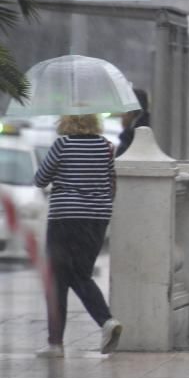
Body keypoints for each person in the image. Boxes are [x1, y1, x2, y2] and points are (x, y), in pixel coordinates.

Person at [34, 114, 122, 357]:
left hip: (66, 217)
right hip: (97, 219)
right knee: (78, 273)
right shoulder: (106, 147)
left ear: (67, 122)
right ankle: (62, 340)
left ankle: (99, 323)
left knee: (57, 276)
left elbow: (40, 179)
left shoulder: (63, 145)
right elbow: (111, 186)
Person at [116, 88, 151, 157]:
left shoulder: (132, 136)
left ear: (131, 111)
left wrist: (126, 131)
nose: (122, 115)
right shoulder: (149, 124)